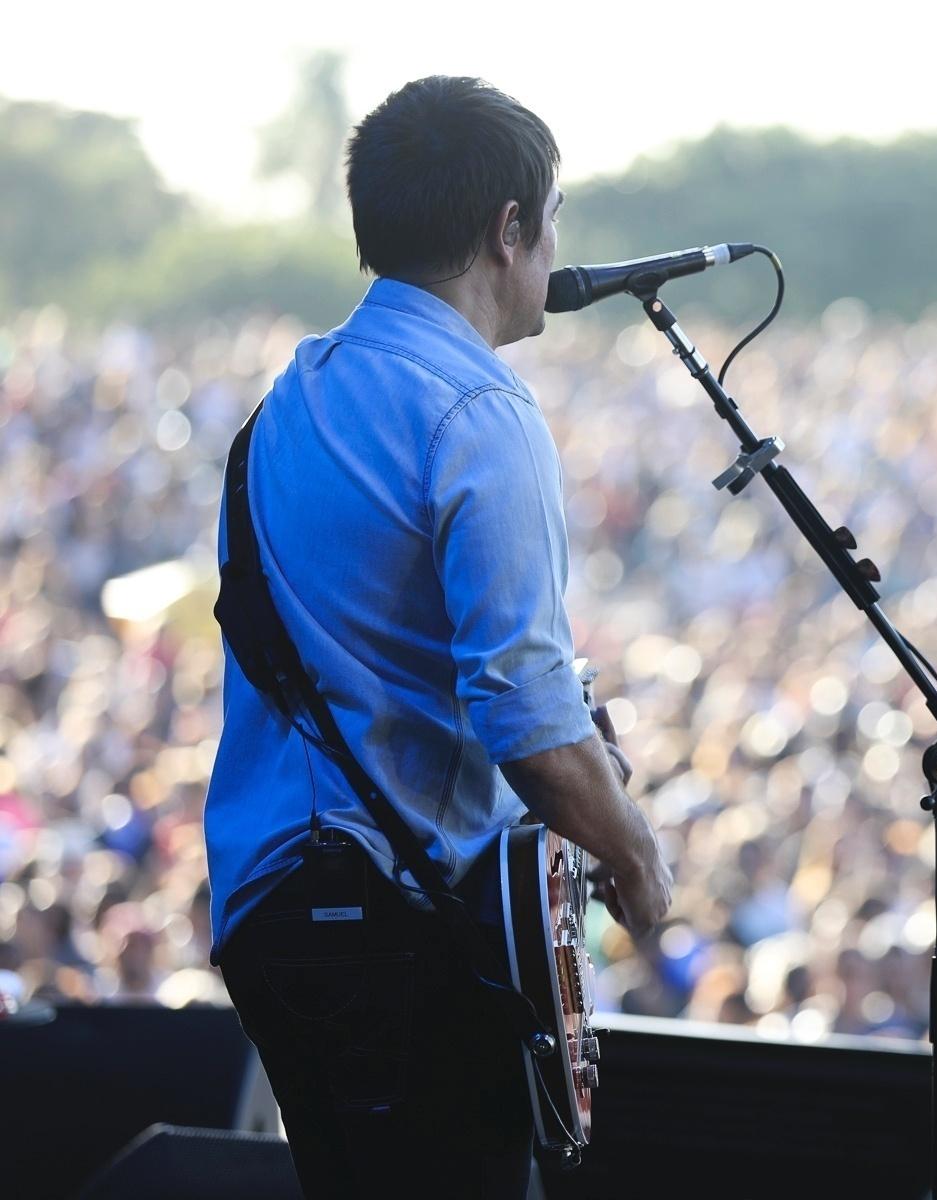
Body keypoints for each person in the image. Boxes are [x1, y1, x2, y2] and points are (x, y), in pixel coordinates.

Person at [203, 76, 673, 1198]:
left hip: (275, 912)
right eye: (552, 215)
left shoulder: (291, 397)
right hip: (394, 926)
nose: (561, 244)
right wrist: (638, 858)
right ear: (508, 231)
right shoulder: (479, 411)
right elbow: (528, 721)